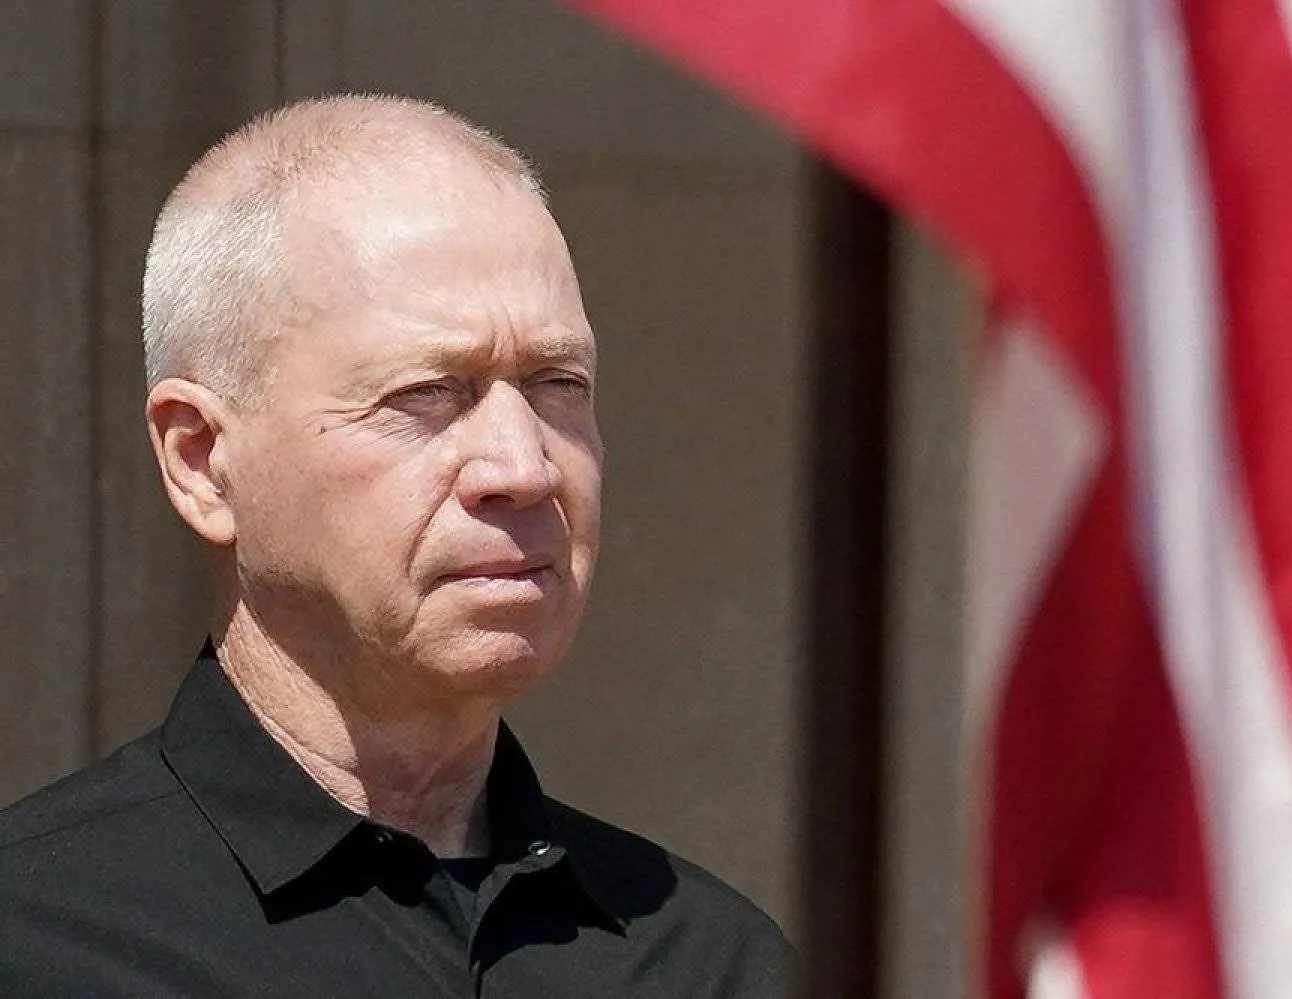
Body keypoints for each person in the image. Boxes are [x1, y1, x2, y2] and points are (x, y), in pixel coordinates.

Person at [0, 94, 789, 997]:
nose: (523, 466)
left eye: (557, 383)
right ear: (203, 459)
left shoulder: (710, 960)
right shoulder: (40, 942)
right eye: (427, 394)